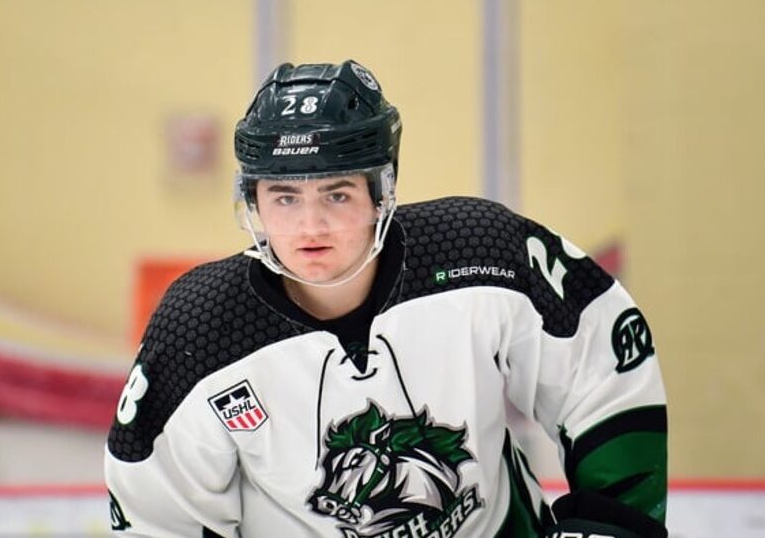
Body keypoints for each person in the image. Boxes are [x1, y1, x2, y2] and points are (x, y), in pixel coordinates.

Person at [104, 60, 667, 538]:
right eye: (284, 197)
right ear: (254, 201)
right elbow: (155, 510)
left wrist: (611, 526)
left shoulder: (482, 250)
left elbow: (602, 365)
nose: (310, 226)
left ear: (382, 192)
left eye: (337, 194)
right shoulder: (200, 328)